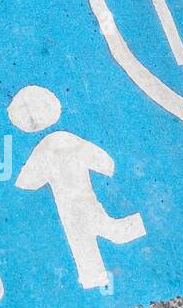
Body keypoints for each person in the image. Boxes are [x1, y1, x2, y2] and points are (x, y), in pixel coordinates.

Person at [9, 85, 146, 290]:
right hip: (83, 204)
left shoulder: (46, 147)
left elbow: (27, 182)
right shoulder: (65, 140)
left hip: (73, 210)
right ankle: (140, 227)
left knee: (96, 239)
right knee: (106, 235)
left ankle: (95, 277)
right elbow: (104, 162)